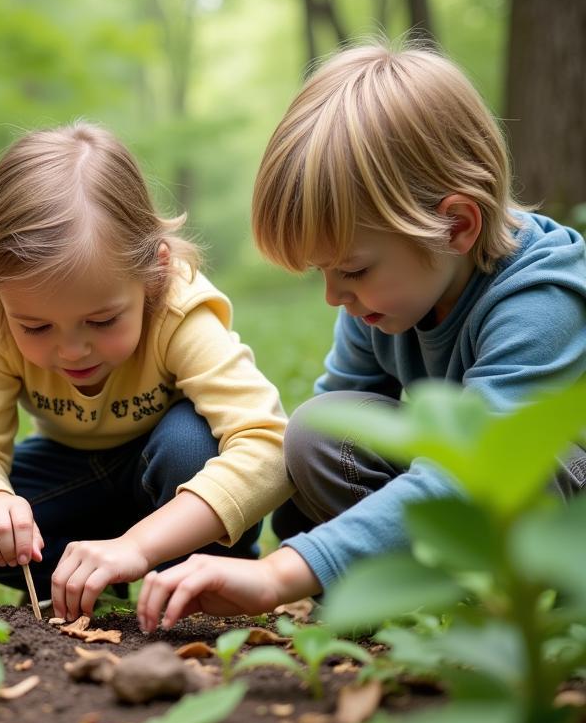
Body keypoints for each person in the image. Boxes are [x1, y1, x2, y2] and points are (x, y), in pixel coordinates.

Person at [137, 42, 586, 633]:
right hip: (464, 509)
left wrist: (280, 575)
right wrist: (154, 542)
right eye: (323, 273)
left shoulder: (540, 299)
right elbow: (314, 452)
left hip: (556, 515)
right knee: (320, 430)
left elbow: (479, 474)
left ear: (456, 225)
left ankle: (492, 607)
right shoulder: (381, 303)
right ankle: (408, 594)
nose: (334, 296)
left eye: (352, 270)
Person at [0, 122, 292, 621]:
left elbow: (268, 446)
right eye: (36, 327)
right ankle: (81, 579)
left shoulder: (180, 311)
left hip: (172, 477)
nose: (72, 350)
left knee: (190, 446)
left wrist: (138, 545)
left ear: (154, 272)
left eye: (101, 321)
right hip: (76, 473)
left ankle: (204, 582)